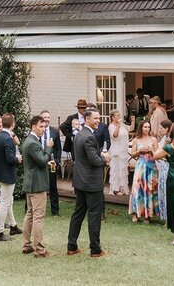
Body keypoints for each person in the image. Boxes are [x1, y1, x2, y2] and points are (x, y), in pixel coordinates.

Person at [67, 108, 109, 258]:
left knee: (78, 213)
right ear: (87, 119)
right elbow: (94, 160)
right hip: (91, 183)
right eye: (96, 118)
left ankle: (71, 246)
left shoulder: (80, 134)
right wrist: (105, 158)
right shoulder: (89, 137)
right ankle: (96, 250)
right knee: (94, 215)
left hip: (80, 181)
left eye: (99, 118)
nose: (98, 121)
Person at [21, 115, 54, 258]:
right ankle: (40, 249)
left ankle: (26, 245)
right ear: (33, 127)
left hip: (31, 183)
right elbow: (42, 161)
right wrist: (48, 148)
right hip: (37, 184)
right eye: (41, 126)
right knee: (38, 217)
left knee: (30, 214)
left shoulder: (29, 140)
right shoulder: (33, 143)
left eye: (45, 126)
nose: (43, 129)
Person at [0, 113, 22, 242]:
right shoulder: (7, 139)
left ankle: (13, 226)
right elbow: (10, 160)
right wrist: (18, 159)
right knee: (5, 202)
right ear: (12, 124)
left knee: (8, 200)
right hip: (6, 174)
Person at [129, 120, 159, 223]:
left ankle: (148, 215)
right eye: (145, 127)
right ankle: (135, 213)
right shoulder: (136, 140)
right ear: (141, 128)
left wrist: (151, 151)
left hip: (151, 167)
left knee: (149, 189)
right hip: (140, 166)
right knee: (137, 188)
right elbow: (133, 154)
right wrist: (140, 151)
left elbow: (158, 155)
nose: (147, 129)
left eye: (148, 127)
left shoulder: (154, 140)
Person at [40, 110, 62, 216]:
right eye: (44, 117)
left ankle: (55, 210)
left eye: (48, 117)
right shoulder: (37, 131)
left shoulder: (54, 131)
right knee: (39, 185)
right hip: (39, 161)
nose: (46, 119)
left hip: (52, 162)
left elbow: (58, 148)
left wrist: (57, 161)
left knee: (53, 186)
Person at [107, 109, 133, 195]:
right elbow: (115, 135)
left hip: (123, 151)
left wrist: (133, 121)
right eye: (117, 115)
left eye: (119, 115)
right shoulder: (111, 126)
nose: (119, 117)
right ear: (113, 117)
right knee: (116, 171)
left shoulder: (122, 125)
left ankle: (123, 188)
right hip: (116, 152)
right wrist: (118, 125)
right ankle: (115, 189)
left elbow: (131, 129)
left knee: (123, 170)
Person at [156, 119, 172, 223]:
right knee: (162, 190)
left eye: (161, 128)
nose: (160, 130)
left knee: (167, 191)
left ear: (167, 129)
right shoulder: (163, 139)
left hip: (167, 166)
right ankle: (165, 216)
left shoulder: (171, 140)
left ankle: (169, 218)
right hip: (162, 166)